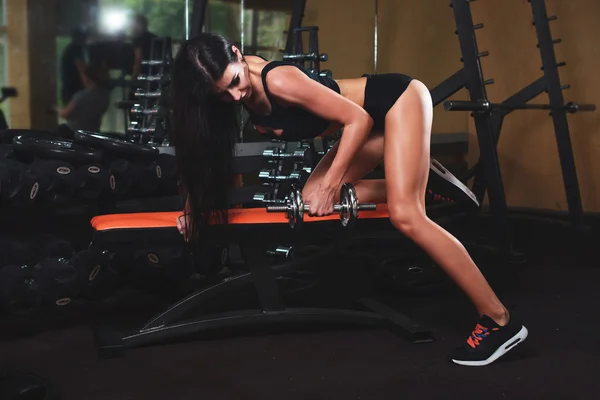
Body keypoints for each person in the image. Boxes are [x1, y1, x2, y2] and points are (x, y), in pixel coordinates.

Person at [170, 33, 529, 367]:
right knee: (311, 201)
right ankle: (418, 179)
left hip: (397, 101)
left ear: (236, 54)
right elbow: (209, 159)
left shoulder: (277, 80)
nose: (235, 97)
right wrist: (195, 209)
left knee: (406, 216)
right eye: (222, 94)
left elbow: (357, 118)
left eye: (235, 82)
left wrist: (334, 182)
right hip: (374, 124)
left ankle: (499, 320)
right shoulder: (235, 94)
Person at [57, 63, 111, 136]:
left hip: (73, 132)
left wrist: (55, 109)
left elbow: (65, 114)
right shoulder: (105, 96)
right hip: (93, 132)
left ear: (87, 78)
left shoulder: (82, 95)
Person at [60, 27, 88, 106]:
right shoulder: (76, 49)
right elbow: (82, 70)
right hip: (74, 93)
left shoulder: (70, 49)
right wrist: (90, 88)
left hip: (69, 92)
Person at [130, 14, 160, 80]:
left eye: (132, 25)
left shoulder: (138, 40)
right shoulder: (156, 39)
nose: (131, 27)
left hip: (143, 77)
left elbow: (138, 60)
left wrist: (133, 79)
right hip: (157, 77)